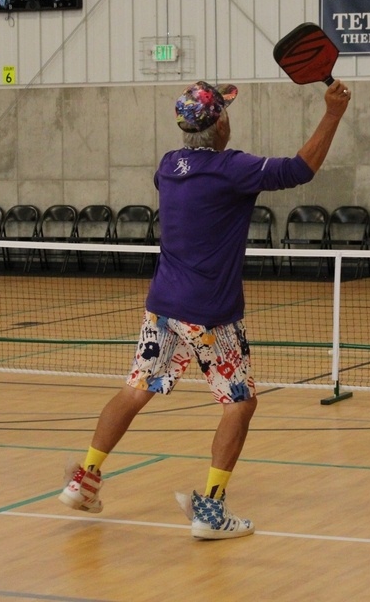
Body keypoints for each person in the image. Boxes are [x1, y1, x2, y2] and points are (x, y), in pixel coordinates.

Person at [60, 78, 351, 539]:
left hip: (163, 305)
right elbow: (301, 169)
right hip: (211, 313)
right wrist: (332, 114)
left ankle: (86, 478)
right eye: (226, 111)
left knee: (137, 388)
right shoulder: (232, 169)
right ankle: (211, 512)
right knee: (240, 402)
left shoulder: (167, 166)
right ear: (220, 123)